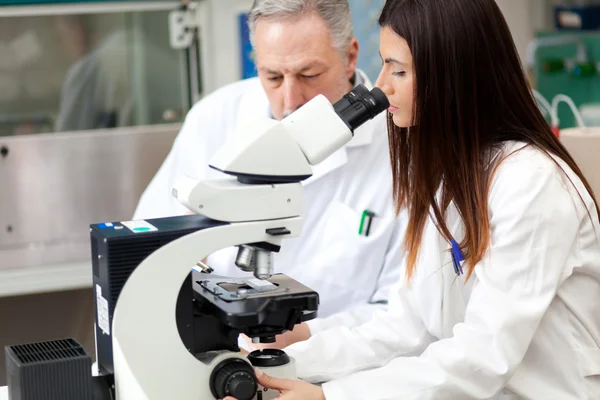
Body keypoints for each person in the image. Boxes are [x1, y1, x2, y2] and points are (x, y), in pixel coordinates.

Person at [236, 0, 600, 399]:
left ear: (454, 76)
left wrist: (331, 396)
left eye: (400, 70)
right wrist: (281, 364)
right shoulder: (448, 178)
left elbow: (485, 355)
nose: (381, 86)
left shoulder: (532, 181)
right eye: (384, 65)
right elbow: (410, 326)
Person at [133, 0, 407, 347]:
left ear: (351, 57)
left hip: (345, 373)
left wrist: (299, 338)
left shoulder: (400, 147)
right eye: (273, 76)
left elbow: (403, 312)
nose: (291, 99)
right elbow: (146, 250)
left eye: (309, 75)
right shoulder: (215, 119)